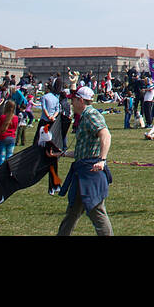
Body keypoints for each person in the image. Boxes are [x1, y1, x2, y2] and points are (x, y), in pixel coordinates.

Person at [57, 86, 113, 235]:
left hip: (91, 172)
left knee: (97, 211)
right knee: (72, 213)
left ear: (81, 100)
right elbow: (83, 151)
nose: (72, 103)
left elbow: (105, 135)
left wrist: (102, 160)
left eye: (73, 100)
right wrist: (62, 154)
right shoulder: (84, 117)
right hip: (81, 172)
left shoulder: (91, 115)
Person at [0, 100, 18, 166]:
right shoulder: (16, 118)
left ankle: (0, 171)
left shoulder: (2, 117)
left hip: (3, 137)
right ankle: (9, 171)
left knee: (2, 157)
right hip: (11, 137)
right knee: (9, 156)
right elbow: (15, 128)